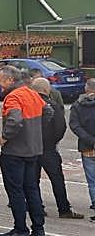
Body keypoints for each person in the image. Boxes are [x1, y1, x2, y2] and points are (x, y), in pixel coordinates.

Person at [0, 67, 52, 236]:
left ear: (9, 81)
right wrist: (34, 131)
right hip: (33, 150)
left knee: (16, 191)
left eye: (0, 80)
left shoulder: (13, 97)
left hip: (15, 151)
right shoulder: (31, 93)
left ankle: (20, 228)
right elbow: (49, 111)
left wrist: (5, 137)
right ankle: (38, 229)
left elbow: (15, 120)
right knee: (32, 189)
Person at [32, 77, 83, 218]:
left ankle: (36, 208)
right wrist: (53, 141)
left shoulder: (29, 104)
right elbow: (61, 127)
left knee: (32, 180)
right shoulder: (53, 105)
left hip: (31, 148)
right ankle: (64, 209)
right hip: (48, 148)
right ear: (46, 89)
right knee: (57, 180)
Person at [68, 78, 95, 221]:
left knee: (92, 180)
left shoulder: (78, 105)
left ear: (87, 89)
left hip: (87, 147)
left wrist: (90, 140)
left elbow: (75, 126)